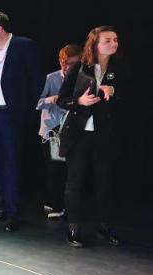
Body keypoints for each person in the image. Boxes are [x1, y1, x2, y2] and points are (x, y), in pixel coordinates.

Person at [57, 26, 121, 248]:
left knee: (104, 183)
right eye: (108, 40)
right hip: (79, 133)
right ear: (95, 44)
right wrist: (79, 102)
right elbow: (61, 99)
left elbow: (133, 97)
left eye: (115, 40)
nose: (113, 44)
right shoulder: (79, 68)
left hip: (105, 135)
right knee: (75, 182)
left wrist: (114, 91)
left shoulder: (120, 68)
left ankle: (103, 225)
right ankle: (73, 228)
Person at [0, 11, 43, 232]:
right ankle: (4, 207)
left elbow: (37, 82)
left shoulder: (23, 46)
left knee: (11, 164)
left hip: (11, 116)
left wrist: (28, 113)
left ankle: (14, 213)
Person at [36, 44, 82, 220]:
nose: (67, 67)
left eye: (72, 63)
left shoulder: (82, 79)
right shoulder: (51, 78)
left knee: (68, 170)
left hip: (71, 129)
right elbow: (36, 102)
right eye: (65, 63)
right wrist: (52, 99)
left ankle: (62, 204)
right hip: (51, 130)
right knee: (53, 169)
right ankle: (54, 202)